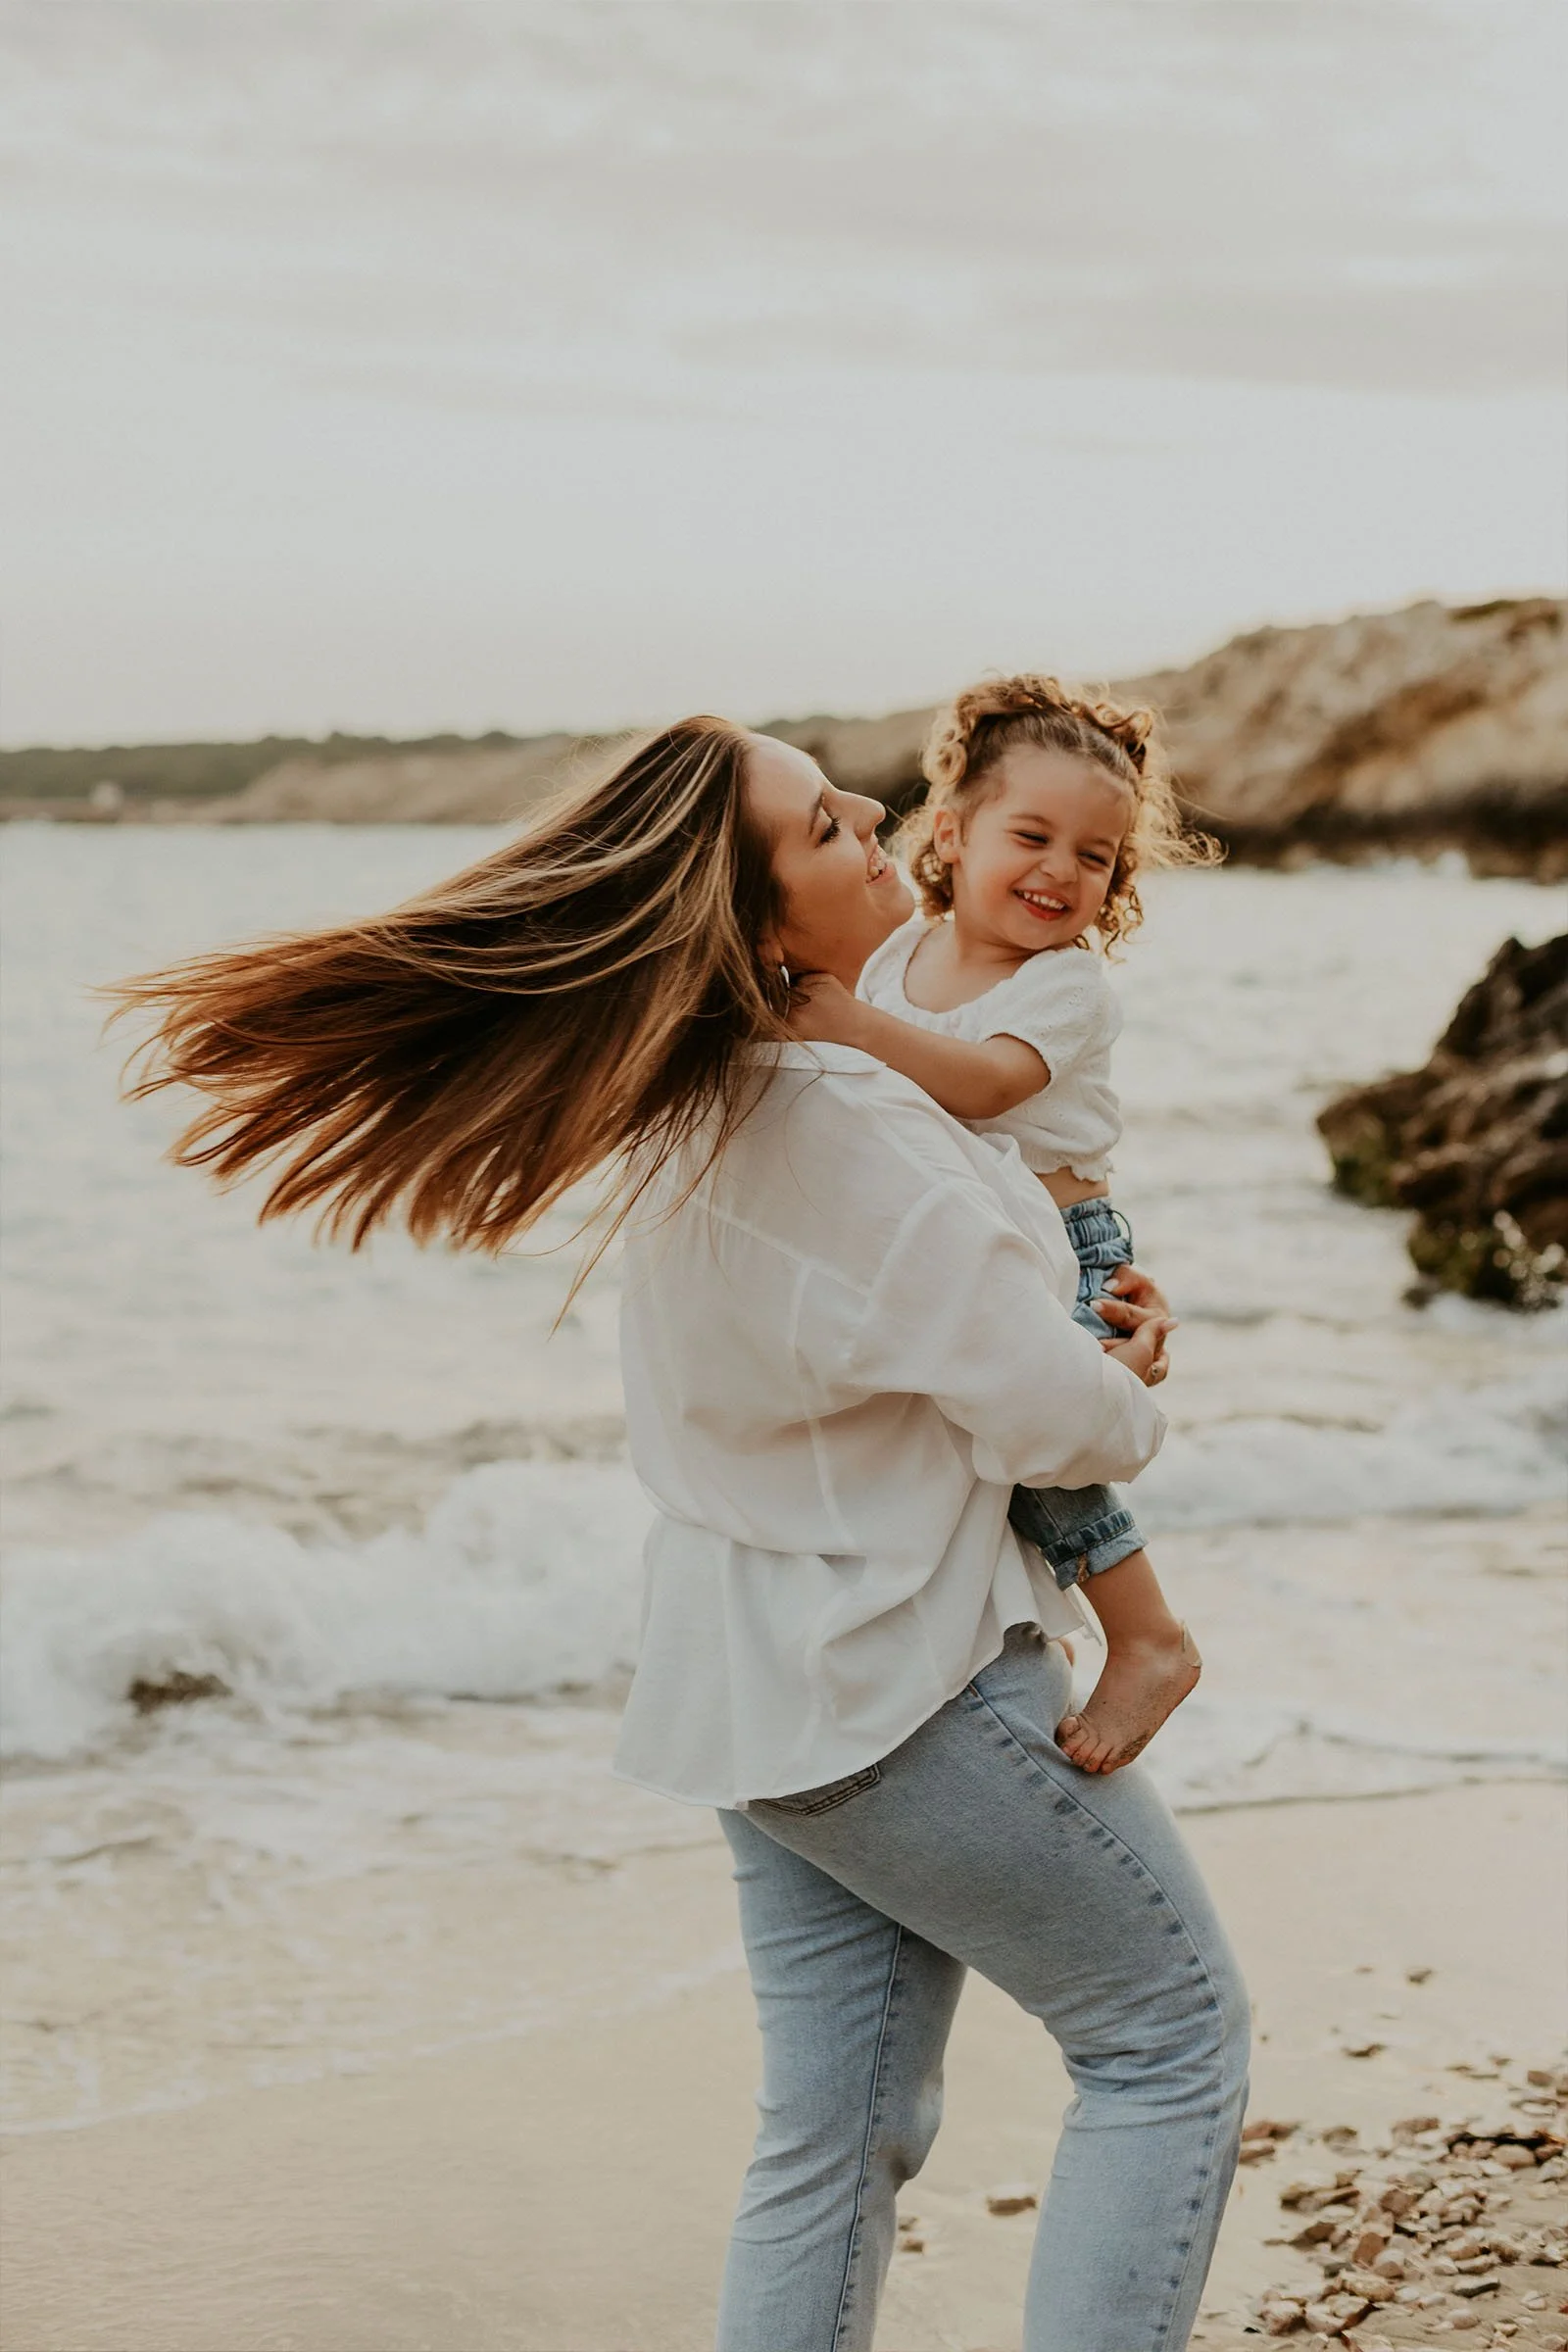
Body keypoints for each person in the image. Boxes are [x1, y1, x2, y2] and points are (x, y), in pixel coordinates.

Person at [110, 715, 1249, 2352]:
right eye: (821, 826)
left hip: (750, 1697)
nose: (868, 813)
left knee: (836, 2132)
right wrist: (1121, 1369)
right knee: (1169, 2036)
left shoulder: (717, 1101)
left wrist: (1066, 1354)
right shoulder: (857, 1134)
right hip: (897, 1684)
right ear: (763, 925)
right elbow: (1061, 1422)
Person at [787, 672, 1216, 1775]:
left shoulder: (1066, 986)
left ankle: (1147, 1633)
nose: (1060, 872)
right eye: (1032, 835)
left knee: (1041, 1443)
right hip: (979, 1243)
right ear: (952, 830)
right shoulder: (896, 956)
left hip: (1064, 1247)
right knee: (974, 1445)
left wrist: (846, 1024)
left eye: (1094, 856)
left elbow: (979, 1086)